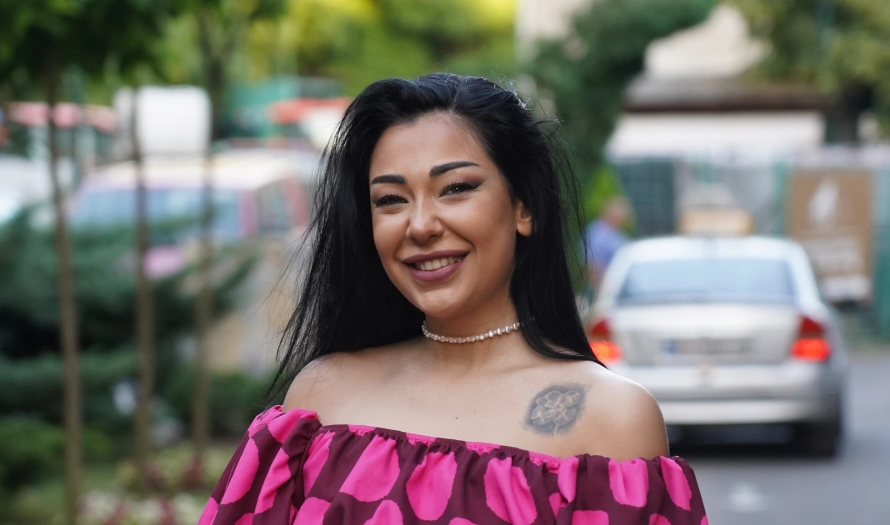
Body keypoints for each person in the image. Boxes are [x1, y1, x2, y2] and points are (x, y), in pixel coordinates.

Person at [200, 74, 707, 525]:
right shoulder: (319, 402)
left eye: (456, 188)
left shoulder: (612, 420)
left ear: (524, 207)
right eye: (391, 200)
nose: (420, 225)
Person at [585, 196, 631, 289]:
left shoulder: (616, 232)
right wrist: (603, 288)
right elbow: (594, 265)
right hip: (604, 288)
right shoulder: (598, 233)